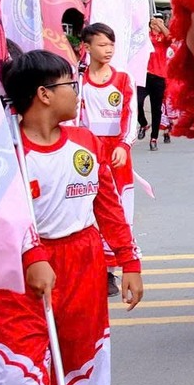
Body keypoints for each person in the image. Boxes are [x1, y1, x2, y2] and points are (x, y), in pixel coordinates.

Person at [0, 50, 142, 385]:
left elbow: (107, 204)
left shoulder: (85, 141)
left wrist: (128, 261)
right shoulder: (3, 152)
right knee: (18, 378)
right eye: (69, 83)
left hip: (82, 265)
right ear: (44, 95)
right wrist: (30, 257)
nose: (78, 90)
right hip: (18, 276)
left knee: (77, 368)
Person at [75, 22, 137, 273]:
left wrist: (124, 144)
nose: (108, 50)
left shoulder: (122, 79)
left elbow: (130, 114)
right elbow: (73, 118)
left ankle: (112, 269)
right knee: (85, 202)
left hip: (116, 152)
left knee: (117, 207)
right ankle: (93, 264)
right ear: (86, 47)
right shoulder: (77, 80)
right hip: (87, 151)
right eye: (102, 45)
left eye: (111, 44)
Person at [139, 17, 171, 151]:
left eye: (162, 22)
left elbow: (171, 37)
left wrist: (161, 25)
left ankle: (154, 138)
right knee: (137, 102)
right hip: (144, 75)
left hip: (159, 77)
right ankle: (144, 124)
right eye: (156, 22)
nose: (158, 24)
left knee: (156, 109)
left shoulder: (164, 39)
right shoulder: (146, 36)